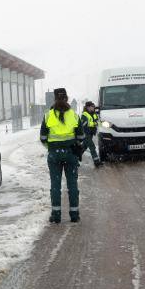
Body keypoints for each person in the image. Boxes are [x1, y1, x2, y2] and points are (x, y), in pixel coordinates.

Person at [40, 88, 85, 223]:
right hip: (71, 154)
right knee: (72, 185)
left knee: (55, 185)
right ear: (67, 98)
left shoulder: (48, 116)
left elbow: (43, 137)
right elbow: (81, 136)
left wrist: (52, 148)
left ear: (55, 99)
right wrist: (74, 146)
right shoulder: (74, 115)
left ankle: (56, 214)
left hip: (54, 155)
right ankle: (74, 214)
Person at [80, 101, 101, 167]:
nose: (93, 108)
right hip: (86, 133)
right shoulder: (84, 114)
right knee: (92, 147)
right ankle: (97, 162)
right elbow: (83, 124)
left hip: (91, 133)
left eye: (93, 107)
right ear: (88, 107)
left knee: (84, 147)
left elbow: (97, 121)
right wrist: (94, 124)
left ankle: (75, 157)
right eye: (92, 107)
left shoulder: (94, 114)